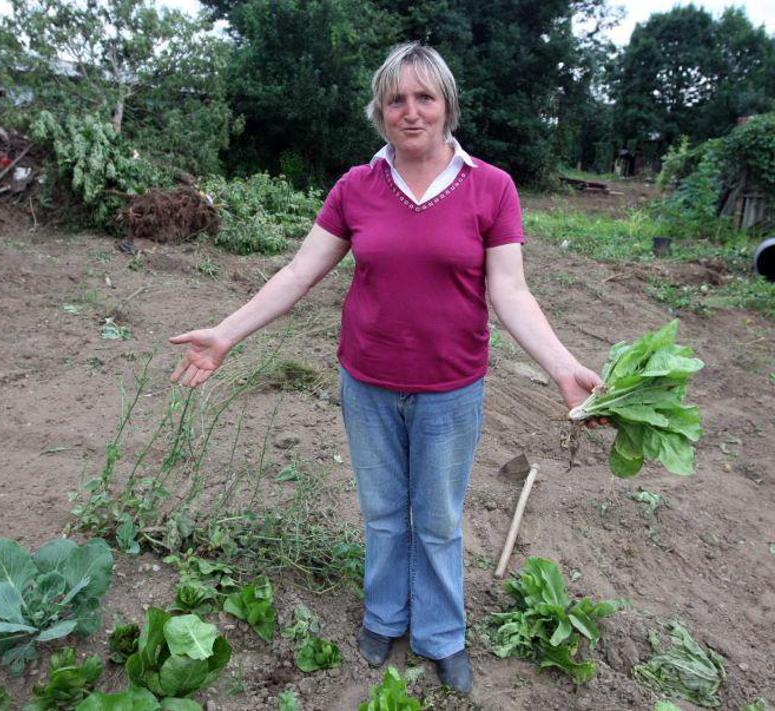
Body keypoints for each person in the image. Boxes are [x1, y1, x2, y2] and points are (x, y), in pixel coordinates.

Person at [169, 42, 604, 693]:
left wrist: (561, 366)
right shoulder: (356, 187)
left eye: (423, 96)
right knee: (380, 512)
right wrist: (226, 333)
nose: (410, 110)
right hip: (367, 383)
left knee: (436, 520)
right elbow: (297, 272)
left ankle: (439, 634)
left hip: (449, 390)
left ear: (446, 106)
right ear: (379, 110)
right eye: (396, 98)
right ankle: (382, 615)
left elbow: (510, 290)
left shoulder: (490, 187)